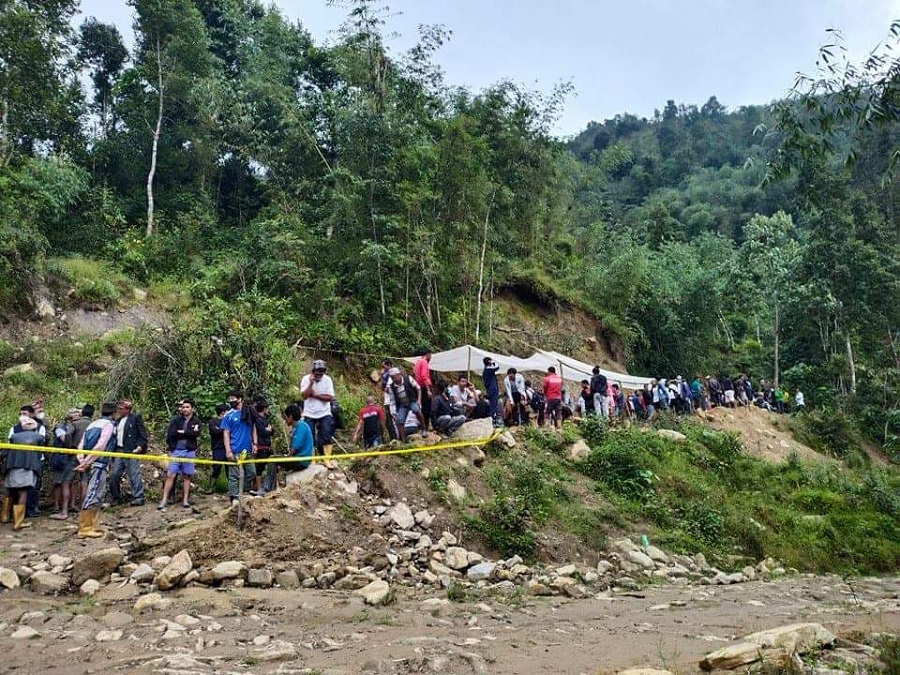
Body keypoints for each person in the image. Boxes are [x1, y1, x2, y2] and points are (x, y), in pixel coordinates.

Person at [74, 402, 118, 538]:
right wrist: (87, 462)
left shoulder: (93, 424)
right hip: (98, 463)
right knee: (93, 493)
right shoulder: (109, 425)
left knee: (97, 494)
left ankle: (93, 524)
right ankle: (85, 528)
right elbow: (101, 445)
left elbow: (80, 445)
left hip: (89, 462)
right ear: (113, 413)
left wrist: (82, 460)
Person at [158, 399, 201, 511]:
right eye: (183, 407)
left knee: (186, 476)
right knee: (170, 475)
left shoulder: (196, 421)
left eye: (187, 407)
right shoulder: (176, 420)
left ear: (192, 408)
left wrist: (183, 432)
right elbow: (171, 433)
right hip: (176, 451)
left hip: (189, 451)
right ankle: (164, 500)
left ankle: (185, 500)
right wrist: (184, 434)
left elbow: (196, 433)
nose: (184, 409)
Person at [261, 404, 314, 495]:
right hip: (299, 458)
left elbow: (295, 447)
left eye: (285, 417)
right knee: (275, 459)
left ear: (290, 416)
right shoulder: (298, 426)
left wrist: (288, 456)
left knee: (272, 459)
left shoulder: (300, 426)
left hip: (301, 460)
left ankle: (266, 488)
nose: (285, 420)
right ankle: (271, 487)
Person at [3, 415, 44, 530]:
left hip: (12, 465)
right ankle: (18, 522)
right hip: (27, 466)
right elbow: (40, 452)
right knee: (23, 492)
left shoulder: (14, 436)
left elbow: (6, 451)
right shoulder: (39, 437)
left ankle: (5, 516)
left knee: (9, 491)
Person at [108, 399, 148, 506]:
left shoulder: (135, 419)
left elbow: (143, 435)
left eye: (121, 409)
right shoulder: (118, 421)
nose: (119, 410)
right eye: (119, 408)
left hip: (131, 451)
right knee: (115, 474)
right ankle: (116, 497)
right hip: (119, 451)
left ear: (128, 409)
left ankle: (138, 496)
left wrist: (139, 447)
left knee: (133, 474)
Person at [222, 390, 255, 505]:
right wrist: (228, 450)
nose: (231, 401)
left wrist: (254, 443)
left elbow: (253, 427)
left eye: (233, 398)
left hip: (248, 450)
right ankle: (234, 497)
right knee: (234, 475)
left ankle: (243, 491)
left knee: (251, 472)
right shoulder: (228, 415)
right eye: (229, 399)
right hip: (234, 449)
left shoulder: (248, 412)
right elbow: (226, 433)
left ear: (240, 399)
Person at [49, 408, 81, 520]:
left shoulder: (77, 427)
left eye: (79, 413)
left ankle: (69, 507)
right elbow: (64, 439)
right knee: (59, 482)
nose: (78, 415)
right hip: (61, 458)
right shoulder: (60, 427)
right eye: (75, 413)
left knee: (71, 482)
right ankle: (57, 506)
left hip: (72, 458)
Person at [300, 359, 336, 456]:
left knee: (326, 436)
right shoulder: (305, 379)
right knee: (309, 437)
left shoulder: (328, 380)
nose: (319, 374)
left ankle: (326, 459)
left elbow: (330, 397)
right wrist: (311, 384)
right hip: (309, 413)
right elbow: (304, 396)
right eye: (317, 371)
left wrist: (315, 395)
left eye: (322, 371)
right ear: (313, 371)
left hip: (324, 412)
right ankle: (312, 460)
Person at [386, 367, 426, 441]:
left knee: (417, 410)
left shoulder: (408, 379)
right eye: (392, 378)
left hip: (411, 401)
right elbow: (392, 401)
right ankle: (403, 439)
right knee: (399, 420)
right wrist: (393, 412)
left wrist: (419, 400)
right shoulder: (391, 387)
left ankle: (423, 429)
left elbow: (418, 388)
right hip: (402, 404)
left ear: (399, 375)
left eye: (395, 378)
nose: (394, 380)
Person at [251, 400, 273, 494]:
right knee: (259, 468)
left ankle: (266, 486)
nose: (268, 410)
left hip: (267, 447)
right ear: (264, 409)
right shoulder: (258, 420)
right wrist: (268, 430)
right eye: (267, 408)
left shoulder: (265, 420)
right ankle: (259, 488)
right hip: (261, 447)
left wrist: (269, 430)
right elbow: (263, 432)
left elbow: (272, 431)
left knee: (270, 467)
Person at [207, 404, 227, 493]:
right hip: (217, 448)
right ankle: (211, 487)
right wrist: (224, 429)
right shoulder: (212, 421)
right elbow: (215, 431)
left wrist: (220, 429)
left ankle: (232, 488)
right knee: (216, 468)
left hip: (229, 448)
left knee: (230, 468)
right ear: (223, 412)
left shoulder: (228, 421)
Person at [412, 349, 433, 432]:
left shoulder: (417, 363)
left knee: (421, 408)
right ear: (428, 354)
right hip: (424, 387)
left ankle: (422, 427)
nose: (431, 357)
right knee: (426, 409)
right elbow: (424, 376)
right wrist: (428, 389)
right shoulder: (424, 362)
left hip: (418, 388)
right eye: (431, 355)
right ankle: (425, 428)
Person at [380, 359, 397, 440]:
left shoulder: (391, 375)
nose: (383, 368)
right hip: (388, 401)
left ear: (389, 365)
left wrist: (383, 377)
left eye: (384, 366)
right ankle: (394, 438)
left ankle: (395, 439)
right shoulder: (387, 375)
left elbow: (387, 389)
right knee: (388, 422)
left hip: (390, 402)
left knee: (390, 422)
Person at [481, 357, 502, 427]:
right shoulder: (488, 369)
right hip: (493, 390)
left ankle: (492, 419)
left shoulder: (485, 370)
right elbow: (497, 367)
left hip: (489, 390)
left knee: (493, 405)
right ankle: (493, 421)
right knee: (494, 405)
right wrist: (493, 362)